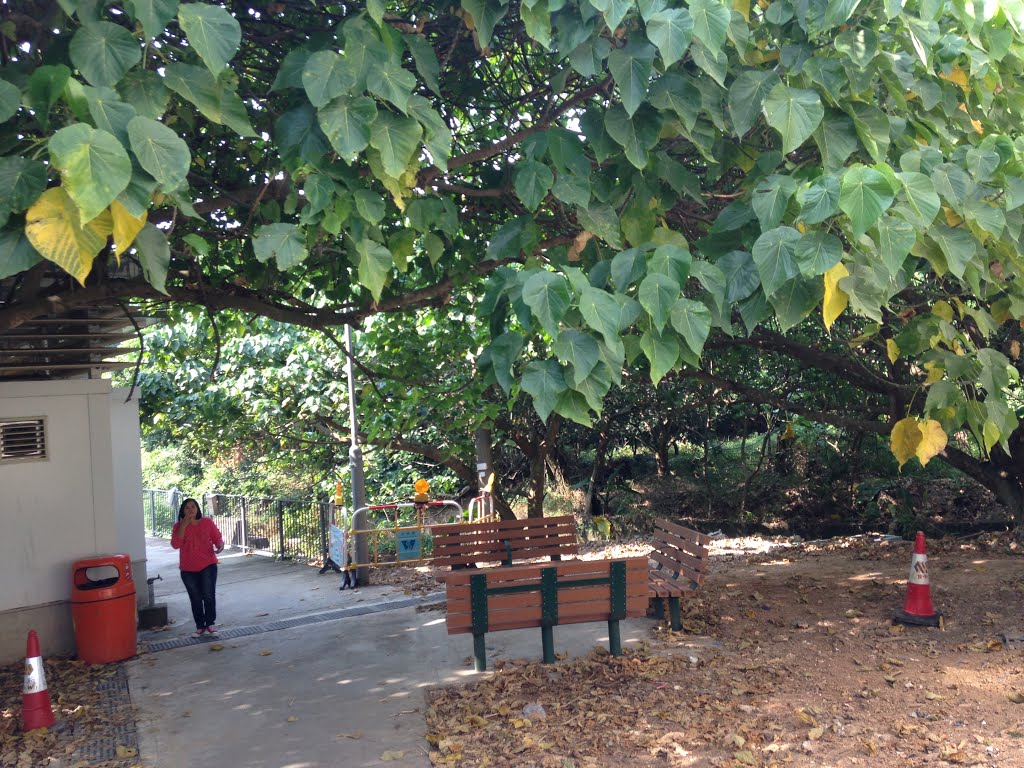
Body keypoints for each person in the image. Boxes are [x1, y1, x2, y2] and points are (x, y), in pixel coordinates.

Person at [170, 498, 224, 637]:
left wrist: (220, 545)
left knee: (208, 596)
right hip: (188, 569)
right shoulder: (178, 526)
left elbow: (217, 537)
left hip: (208, 565)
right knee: (195, 598)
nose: (190, 510)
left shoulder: (206, 522)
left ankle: (210, 624)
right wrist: (183, 525)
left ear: (197, 509)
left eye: (193, 507)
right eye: (187, 508)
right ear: (183, 511)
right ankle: (200, 626)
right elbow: (176, 544)